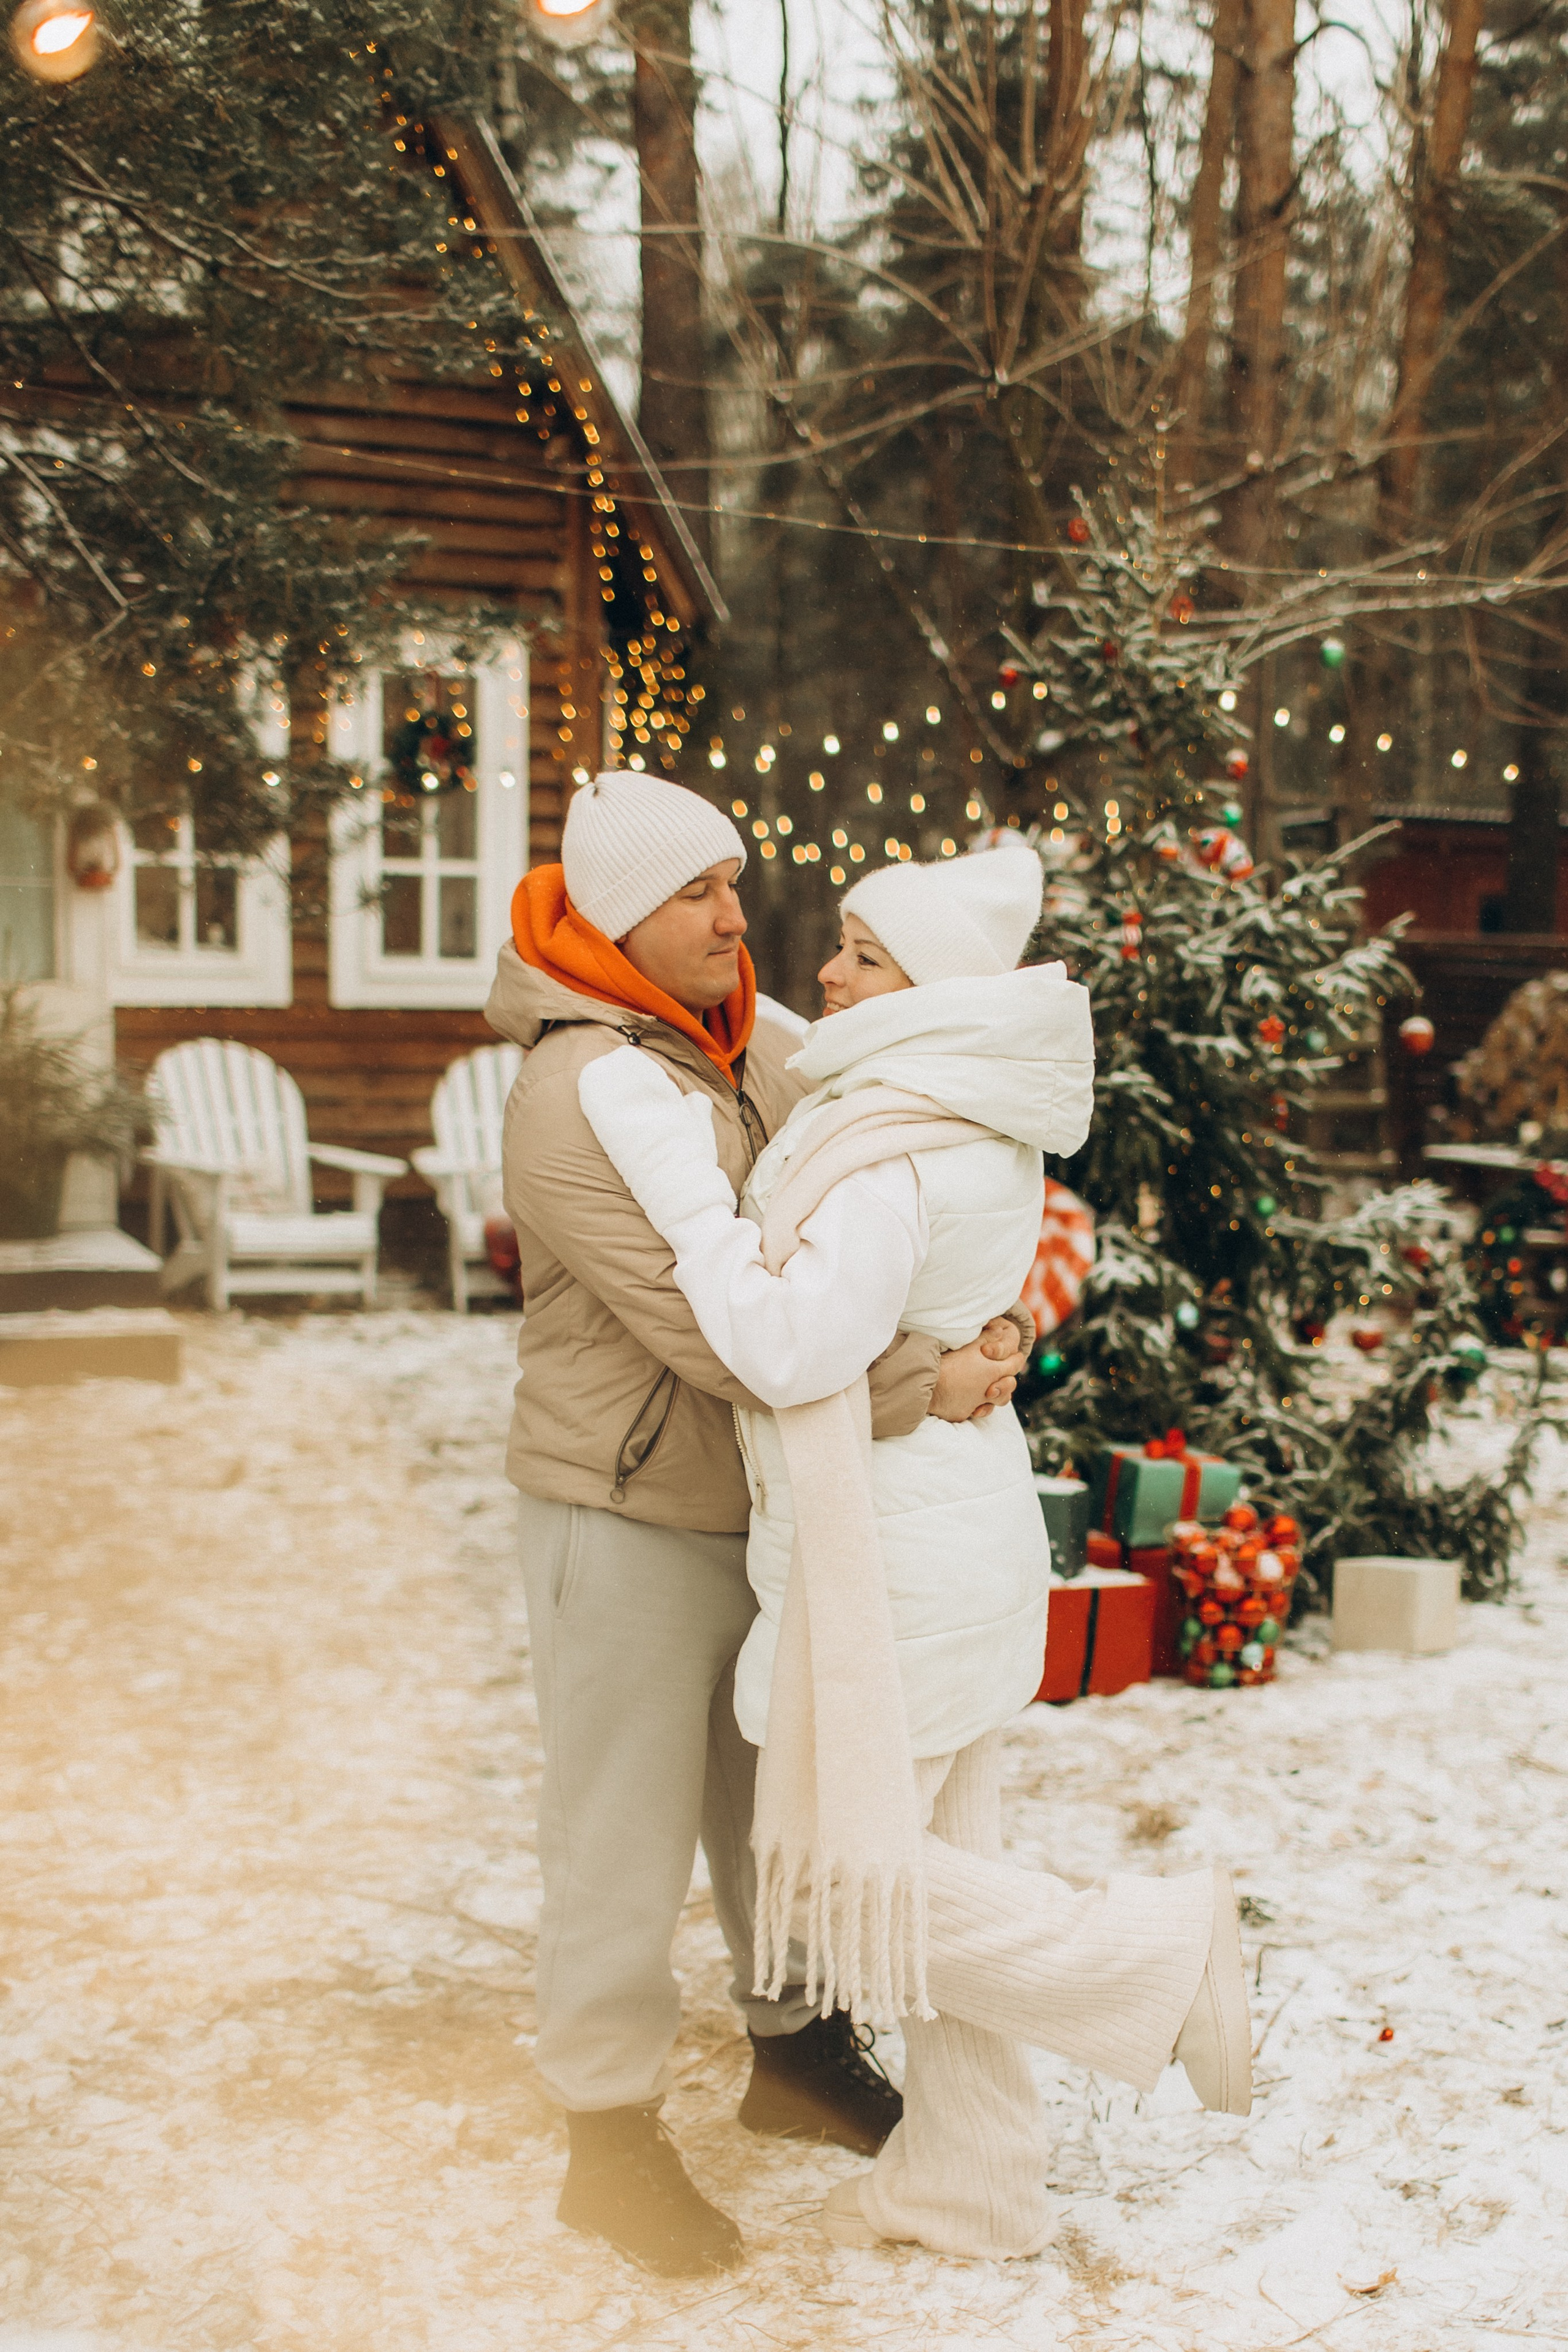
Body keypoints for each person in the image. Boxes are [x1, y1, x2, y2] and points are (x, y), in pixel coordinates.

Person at [578, 846, 1253, 2262]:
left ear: (928, 990)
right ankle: (972, 2182)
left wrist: (691, 1206)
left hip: (890, 1553)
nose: (824, 974)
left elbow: (784, 1346)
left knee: (835, 1882)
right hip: (949, 1527)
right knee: (949, 1855)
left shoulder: (888, 1145)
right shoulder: (954, 1106)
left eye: (862, 958)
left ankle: (1158, 1957)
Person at [484, 772, 1032, 2278]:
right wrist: (949, 1376)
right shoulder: (573, 1088)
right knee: (622, 1828)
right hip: (627, 1508)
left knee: (772, 1802)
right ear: (614, 916)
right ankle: (604, 2135)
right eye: (698, 894)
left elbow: (881, 1219)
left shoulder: (740, 1055)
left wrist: (990, 1308)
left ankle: (793, 2053)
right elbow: (724, 1341)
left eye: (735, 884)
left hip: (771, 1504)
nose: (740, 919)